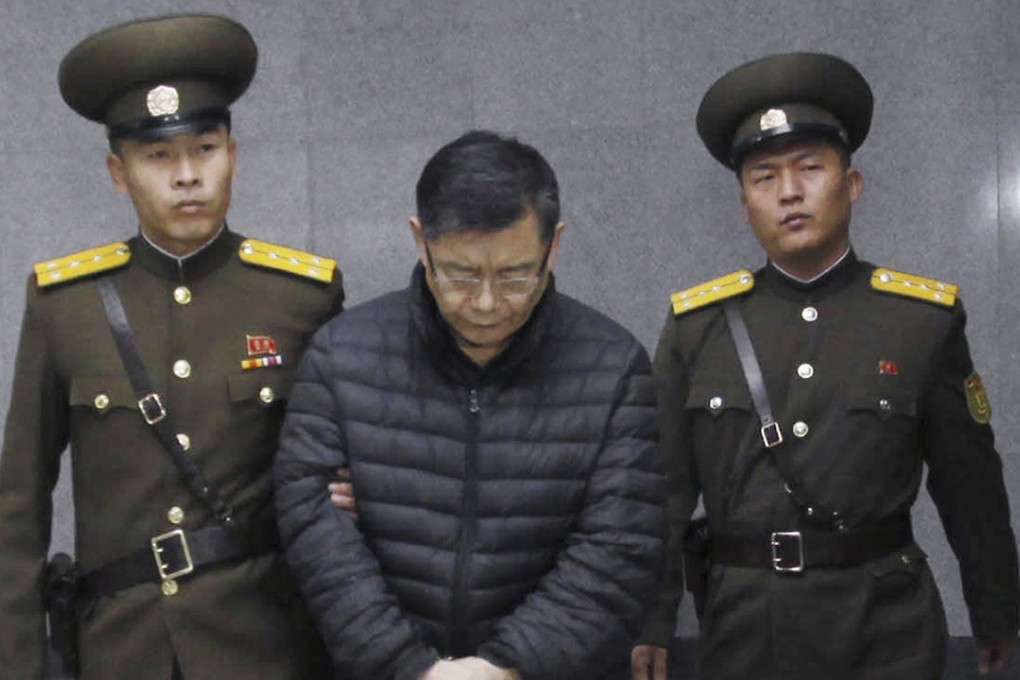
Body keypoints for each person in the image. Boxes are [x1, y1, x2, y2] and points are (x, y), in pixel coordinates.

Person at [632, 52, 1020, 680]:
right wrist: (652, 620)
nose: (788, 191)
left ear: (852, 184)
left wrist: (996, 609)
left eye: (810, 169)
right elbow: (664, 491)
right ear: (744, 204)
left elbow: (968, 482)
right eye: (764, 178)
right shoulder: (696, 327)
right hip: (747, 627)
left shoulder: (921, 320)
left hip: (885, 628)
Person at [0, 13, 343, 680]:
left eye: (205, 149)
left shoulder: (302, 297)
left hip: (266, 647)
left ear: (233, 156)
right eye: (159, 156)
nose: (187, 176)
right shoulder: (63, 304)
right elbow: (17, 504)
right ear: (118, 173)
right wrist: (17, 664)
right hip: (121, 649)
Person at [274, 130, 666, 680]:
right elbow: (316, 533)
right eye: (459, 274)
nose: (486, 303)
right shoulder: (344, 357)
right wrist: (410, 667)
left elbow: (619, 548)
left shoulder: (611, 366)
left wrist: (503, 668)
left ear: (553, 246)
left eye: (514, 275)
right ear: (420, 241)